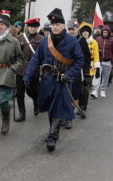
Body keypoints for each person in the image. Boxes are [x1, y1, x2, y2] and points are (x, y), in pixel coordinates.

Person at [23, 8, 84, 152]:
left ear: (63, 26)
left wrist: (70, 74)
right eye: (53, 24)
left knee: (57, 107)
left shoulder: (71, 41)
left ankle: (52, 137)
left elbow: (79, 60)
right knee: (51, 108)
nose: (55, 26)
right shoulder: (45, 41)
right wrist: (27, 75)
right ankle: (53, 131)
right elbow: (36, 59)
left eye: (58, 24)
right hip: (46, 79)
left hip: (62, 80)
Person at [0, 10, 23, 137]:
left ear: (7, 26)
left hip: (6, 73)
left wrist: (13, 69)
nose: (0, 26)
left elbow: (20, 59)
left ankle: (6, 120)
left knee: (1, 101)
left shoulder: (14, 41)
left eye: (3, 24)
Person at [15, 17, 43, 122]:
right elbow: (14, 53)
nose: (32, 28)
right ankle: (22, 113)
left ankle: (36, 102)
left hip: (33, 69)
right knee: (19, 92)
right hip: (20, 67)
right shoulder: (20, 37)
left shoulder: (42, 39)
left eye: (35, 26)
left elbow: (43, 56)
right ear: (27, 27)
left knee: (32, 91)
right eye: (30, 26)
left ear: (37, 27)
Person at [67, 20, 91, 126]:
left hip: (77, 71)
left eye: (73, 29)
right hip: (65, 70)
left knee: (75, 94)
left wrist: (87, 74)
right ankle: (65, 115)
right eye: (70, 29)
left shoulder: (82, 41)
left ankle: (69, 117)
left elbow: (87, 59)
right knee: (65, 94)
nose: (71, 31)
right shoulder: (64, 39)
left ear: (78, 29)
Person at [77, 22, 100, 117]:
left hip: (89, 69)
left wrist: (97, 68)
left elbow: (96, 56)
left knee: (85, 89)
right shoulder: (78, 41)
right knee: (78, 89)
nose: (85, 33)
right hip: (79, 69)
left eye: (87, 32)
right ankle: (79, 106)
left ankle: (83, 107)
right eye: (83, 32)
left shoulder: (94, 42)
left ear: (90, 33)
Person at [91, 25, 113, 98]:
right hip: (98, 61)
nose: (105, 34)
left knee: (105, 77)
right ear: (102, 32)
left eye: (106, 32)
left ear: (109, 33)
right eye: (104, 32)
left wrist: (112, 61)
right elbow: (94, 49)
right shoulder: (98, 39)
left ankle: (102, 90)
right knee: (97, 76)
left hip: (107, 61)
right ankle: (95, 90)